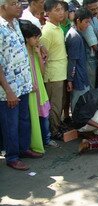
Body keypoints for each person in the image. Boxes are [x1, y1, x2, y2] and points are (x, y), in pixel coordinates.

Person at [0, 0, 43, 171]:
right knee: (11, 124)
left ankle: (23, 149)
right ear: (3, 6)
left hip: (23, 84)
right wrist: (8, 91)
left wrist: (29, 80)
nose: (19, 6)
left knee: (24, 120)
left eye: (19, 2)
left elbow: (25, 48)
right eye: (14, 3)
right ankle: (12, 157)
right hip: (8, 89)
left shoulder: (16, 23)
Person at [20, 20, 59, 151]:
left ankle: (46, 139)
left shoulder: (34, 50)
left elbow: (42, 72)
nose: (37, 40)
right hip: (30, 89)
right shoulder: (22, 53)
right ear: (26, 38)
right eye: (35, 37)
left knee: (44, 115)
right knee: (32, 117)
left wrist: (38, 53)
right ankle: (36, 142)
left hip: (39, 87)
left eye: (38, 38)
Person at [39, 0, 67, 140]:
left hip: (60, 72)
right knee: (54, 105)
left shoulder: (59, 28)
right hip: (52, 74)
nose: (61, 12)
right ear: (47, 13)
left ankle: (55, 127)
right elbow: (43, 57)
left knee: (59, 104)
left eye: (62, 9)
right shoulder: (47, 31)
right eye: (57, 10)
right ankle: (52, 132)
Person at [66, 8, 92, 111]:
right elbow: (72, 61)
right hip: (78, 77)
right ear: (78, 20)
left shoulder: (76, 34)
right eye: (86, 22)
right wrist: (70, 80)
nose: (88, 25)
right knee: (78, 104)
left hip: (81, 75)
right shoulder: (74, 37)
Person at [81, 0, 98, 88]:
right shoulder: (85, 23)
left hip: (97, 57)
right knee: (91, 86)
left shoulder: (95, 18)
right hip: (89, 59)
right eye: (92, 9)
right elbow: (95, 46)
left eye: (97, 8)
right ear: (85, 8)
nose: (96, 11)